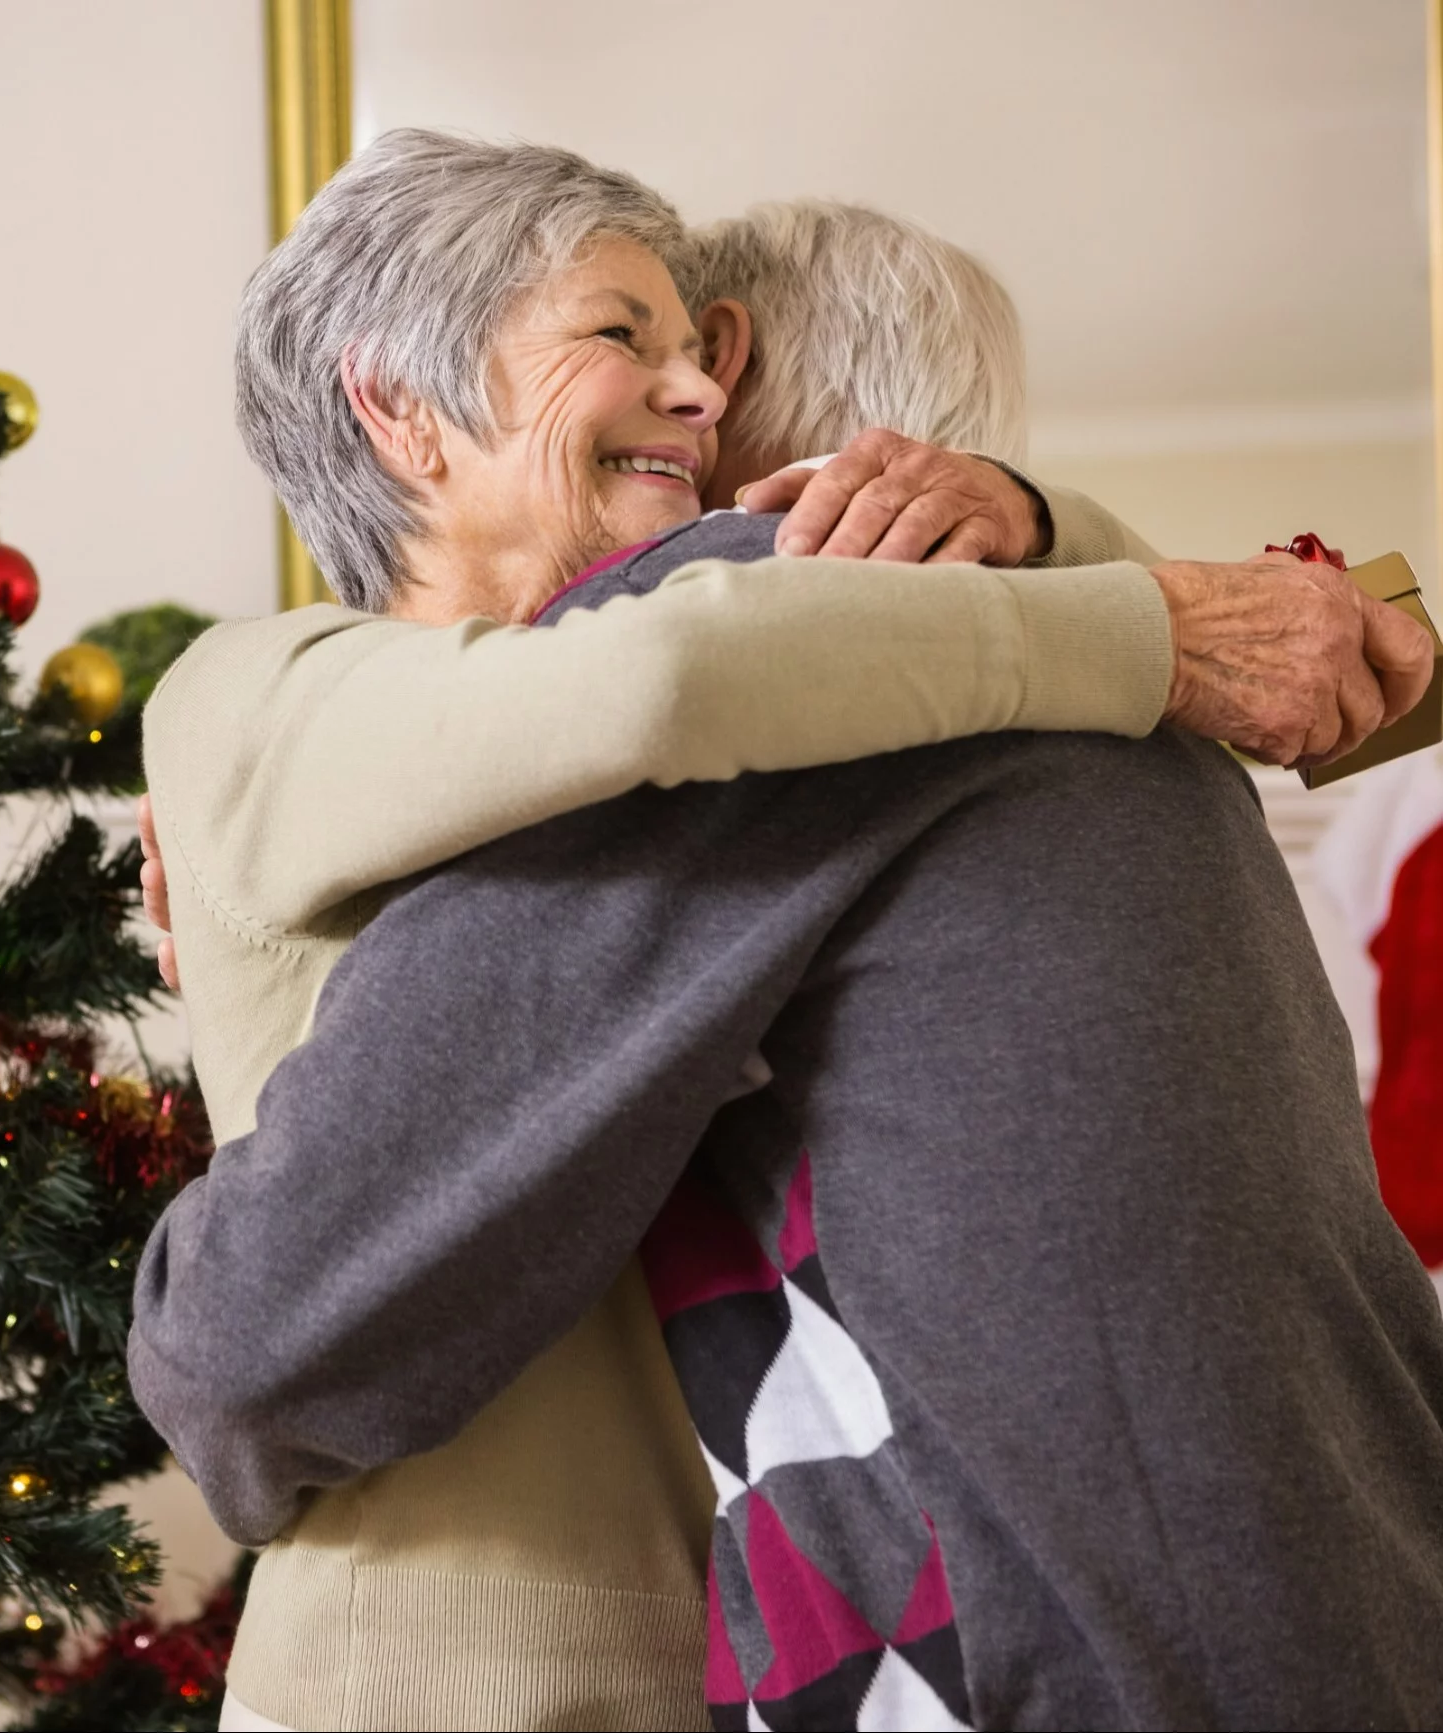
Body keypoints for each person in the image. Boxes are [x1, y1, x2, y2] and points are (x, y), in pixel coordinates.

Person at [128, 131, 1433, 1730]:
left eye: (703, 353)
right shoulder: (319, 694)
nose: (686, 394)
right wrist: (1142, 606)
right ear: (394, 405)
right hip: (457, 1669)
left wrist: (1059, 544)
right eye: (626, 338)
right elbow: (673, 668)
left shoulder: (845, 693)